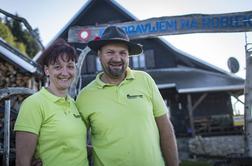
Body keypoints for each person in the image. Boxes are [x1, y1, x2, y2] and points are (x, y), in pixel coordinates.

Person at [76, 26, 179, 166]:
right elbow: (73, 138)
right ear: (99, 54)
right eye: (110, 52)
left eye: (123, 53)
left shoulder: (145, 80)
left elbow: (166, 129)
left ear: (128, 55)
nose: (117, 58)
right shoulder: (85, 96)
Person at [14, 39, 89, 166]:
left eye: (70, 66)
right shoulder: (33, 104)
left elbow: (74, 146)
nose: (65, 73)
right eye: (57, 67)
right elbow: (22, 161)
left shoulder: (74, 104)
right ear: (47, 70)